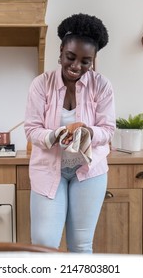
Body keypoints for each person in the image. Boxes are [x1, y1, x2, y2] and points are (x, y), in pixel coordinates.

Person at [24, 13, 116, 253]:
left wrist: (87, 132)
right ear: (61, 52)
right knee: (44, 246)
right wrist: (54, 135)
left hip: (89, 171)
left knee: (81, 246)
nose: (76, 66)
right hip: (48, 169)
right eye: (70, 57)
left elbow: (108, 130)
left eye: (86, 61)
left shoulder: (102, 86)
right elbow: (31, 129)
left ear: (93, 61)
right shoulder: (41, 84)